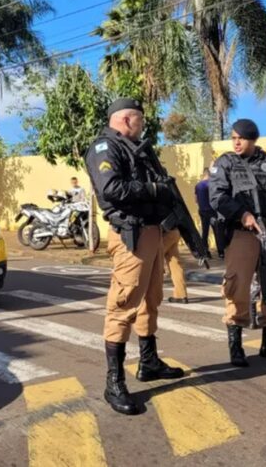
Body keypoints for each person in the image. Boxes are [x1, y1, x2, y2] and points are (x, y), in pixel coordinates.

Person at [84, 98, 184, 415]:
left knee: (151, 298)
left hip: (153, 233)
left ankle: (149, 361)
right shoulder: (105, 148)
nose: (143, 124)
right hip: (132, 235)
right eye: (139, 119)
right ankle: (113, 383)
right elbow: (112, 188)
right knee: (123, 304)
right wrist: (154, 190)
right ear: (126, 119)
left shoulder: (136, 148)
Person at [209, 118, 266, 367]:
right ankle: (236, 346)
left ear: (253, 140)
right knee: (237, 286)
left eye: (241, 138)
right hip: (242, 233)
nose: (236, 142)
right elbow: (217, 196)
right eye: (234, 138)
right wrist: (242, 214)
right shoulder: (225, 163)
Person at [195, 168, 225, 259]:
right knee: (217, 231)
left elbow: (196, 200)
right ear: (209, 174)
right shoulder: (212, 185)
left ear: (203, 174)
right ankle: (221, 252)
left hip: (202, 211)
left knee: (205, 232)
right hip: (212, 211)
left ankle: (205, 252)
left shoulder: (198, 185)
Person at [163, 228, 188, 304]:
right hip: (174, 231)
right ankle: (181, 295)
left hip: (162, 232)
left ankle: (148, 296)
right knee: (175, 263)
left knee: (152, 261)